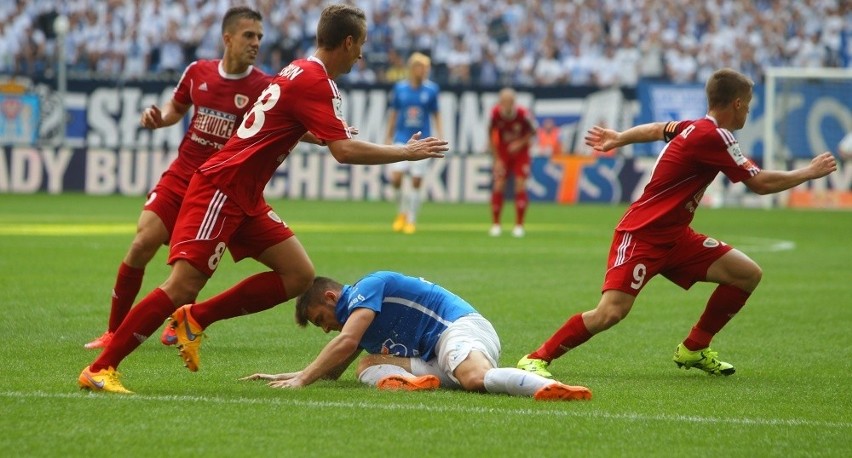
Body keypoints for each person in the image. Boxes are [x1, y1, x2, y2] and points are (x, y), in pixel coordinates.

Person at [78, 3, 449, 394]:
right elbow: (344, 151)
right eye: (361, 45)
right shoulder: (316, 81)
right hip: (222, 187)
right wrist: (404, 152)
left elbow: (296, 129)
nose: (362, 55)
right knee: (182, 285)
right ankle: (101, 367)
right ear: (348, 41)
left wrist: (329, 133)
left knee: (299, 275)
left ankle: (195, 318)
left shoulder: (298, 69)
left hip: (246, 195)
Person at [516, 68, 837, 378]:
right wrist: (808, 173)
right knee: (610, 312)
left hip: (675, 237)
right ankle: (536, 357)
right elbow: (760, 183)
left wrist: (619, 139)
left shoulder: (694, 127)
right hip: (642, 234)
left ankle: (695, 347)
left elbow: (657, 129)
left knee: (746, 274)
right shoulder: (715, 135)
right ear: (737, 103)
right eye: (748, 106)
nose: (748, 113)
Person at [84, 6, 271, 350]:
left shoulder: (263, 87)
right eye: (249, 36)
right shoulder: (198, 71)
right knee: (142, 242)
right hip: (182, 174)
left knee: (189, 270)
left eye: (259, 37)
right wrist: (159, 118)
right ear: (227, 38)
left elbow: (282, 124)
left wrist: (324, 134)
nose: (256, 43)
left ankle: (183, 317)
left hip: (218, 187)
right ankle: (113, 331)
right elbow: (176, 109)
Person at [241, 272, 592, 402]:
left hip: (459, 329)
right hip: (433, 357)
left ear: (332, 298)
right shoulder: (358, 323)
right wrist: (290, 375)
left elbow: (343, 342)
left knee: (473, 379)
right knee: (367, 364)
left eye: (321, 320)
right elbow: (334, 369)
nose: (326, 329)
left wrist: (303, 379)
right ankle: (409, 382)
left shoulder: (367, 288)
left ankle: (544, 387)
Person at [385, 52, 443, 235]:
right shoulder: (400, 89)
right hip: (402, 138)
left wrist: (440, 134)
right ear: (412, 68)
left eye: (426, 68)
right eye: (421, 67)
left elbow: (436, 114)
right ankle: (401, 212)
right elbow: (394, 113)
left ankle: (411, 218)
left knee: (417, 181)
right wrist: (388, 136)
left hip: (423, 139)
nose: (423, 71)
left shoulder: (431, 90)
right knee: (396, 178)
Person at [487, 87, 537, 238]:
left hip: (521, 154)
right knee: (499, 185)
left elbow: (533, 132)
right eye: (503, 101)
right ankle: (496, 224)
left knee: (520, 185)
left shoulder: (523, 114)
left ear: (513, 102)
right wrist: (496, 159)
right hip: (503, 153)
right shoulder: (495, 114)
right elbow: (490, 134)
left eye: (508, 101)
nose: (506, 104)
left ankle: (519, 225)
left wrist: (520, 143)